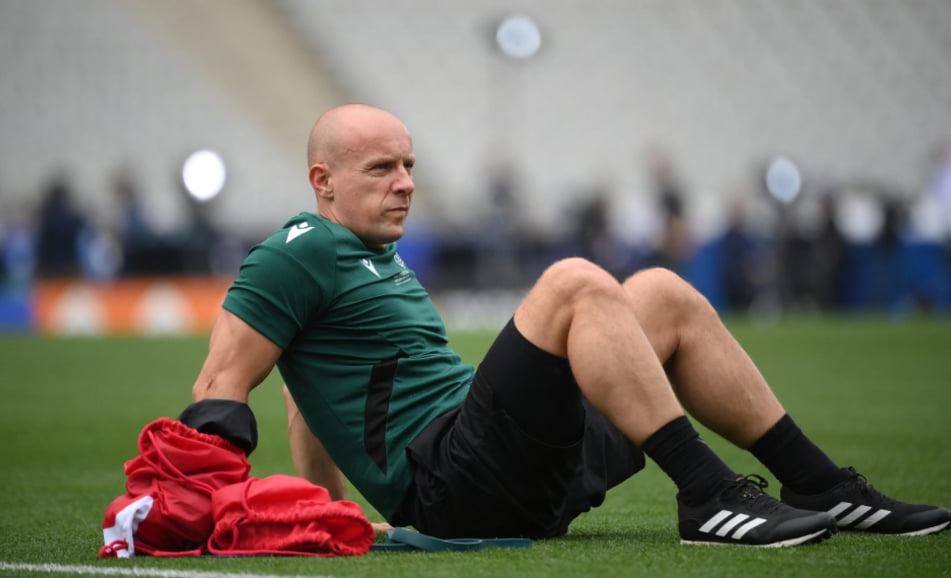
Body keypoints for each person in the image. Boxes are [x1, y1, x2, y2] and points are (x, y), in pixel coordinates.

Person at [182, 104, 949, 547]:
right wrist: (195, 504)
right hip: (453, 485)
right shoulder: (297, 250)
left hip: (512, 472)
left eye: (409, 165)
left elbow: (305, 391)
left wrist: (336, 516)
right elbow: (222, 381)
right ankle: (707, 496)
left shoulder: (370, 257)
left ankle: (820, 485)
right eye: (381, 169)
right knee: (575, 282)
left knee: (658, 293)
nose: (406, 184)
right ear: (322, 181)